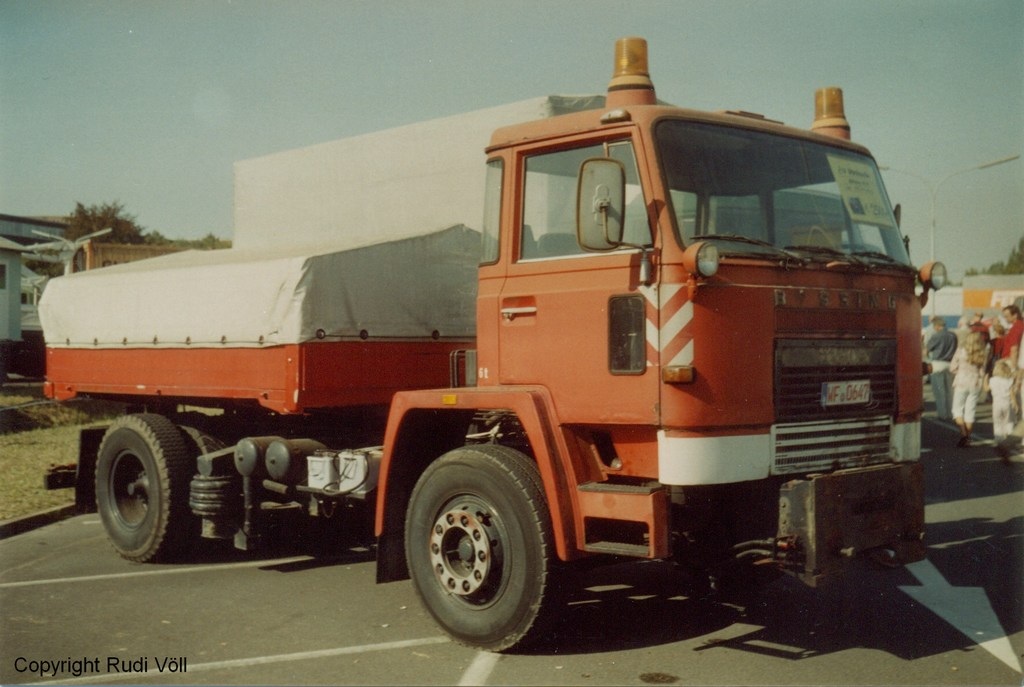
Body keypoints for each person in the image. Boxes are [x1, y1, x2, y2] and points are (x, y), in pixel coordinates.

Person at [950, 331, 988, 447]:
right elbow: (982, 372)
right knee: (970, 412)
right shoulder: (982, 353)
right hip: (975, 383)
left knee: (957, 410)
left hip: (961, 382)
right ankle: (968, 438)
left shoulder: (961, 351)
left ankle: (964, 434)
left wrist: (960, 372)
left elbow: (952, 368)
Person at [925, 316, 957, 421]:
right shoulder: (953, 335)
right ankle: (950, 413)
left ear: (937, 326)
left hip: (937, 363)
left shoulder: (936, 336)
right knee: (949, 391)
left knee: (939, 391)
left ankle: (942, 414)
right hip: (950, 363)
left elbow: (927, 349)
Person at [988, 358, 1017, 442]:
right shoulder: (1008, 381)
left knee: (997, 422)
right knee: (1008, 421)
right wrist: (1014, 402)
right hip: (1007, 404)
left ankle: (999, 438)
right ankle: (1009, 433)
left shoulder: (992, 380)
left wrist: (985, 380)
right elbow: (1012, 393)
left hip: (996, 405)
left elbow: (986, 388)